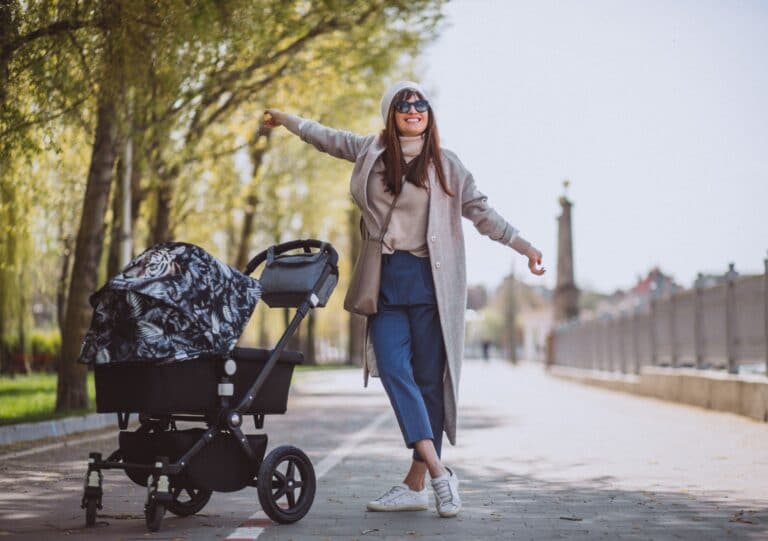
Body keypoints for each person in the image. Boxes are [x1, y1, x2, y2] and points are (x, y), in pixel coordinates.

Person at [264, 80, 545, 518]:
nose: (414, 110)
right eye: (404, 104)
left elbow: (481, 212)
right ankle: (440, 473)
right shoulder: (370, 151)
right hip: (386, 283)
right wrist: (286, 120)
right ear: (390, 114)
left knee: (430, 383)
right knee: (395, 370)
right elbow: (325, 137)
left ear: (429, 114)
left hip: (433, 286)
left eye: (420, 104)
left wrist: (524, 247)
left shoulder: (447, 165)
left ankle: (417, 484)